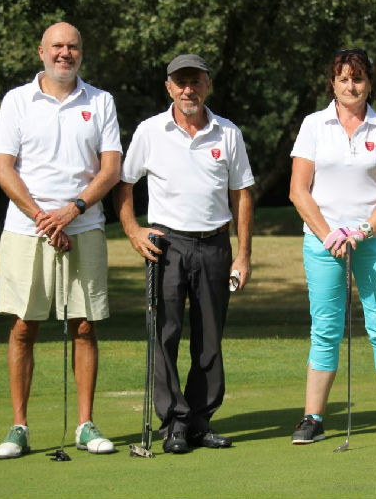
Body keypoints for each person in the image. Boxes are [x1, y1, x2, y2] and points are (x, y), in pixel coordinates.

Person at [0, 22, 122, 459]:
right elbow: (3, 169)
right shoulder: (17, 101)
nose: (65, 53)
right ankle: (19, 426)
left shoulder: (100, 101)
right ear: (41, 51)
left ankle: (85, 425)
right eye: (57, 46)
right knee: (24, 326)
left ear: (81, 52)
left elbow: (110, 170)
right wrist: (44, 218)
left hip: (84, 225)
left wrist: (72, 211)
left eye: (73, 47)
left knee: (84, 326)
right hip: (26, 228)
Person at [114, 54, 255, 454]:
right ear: (169, 87)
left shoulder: (228, 133)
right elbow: (124, 184)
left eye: (195, 82)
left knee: (209, 337)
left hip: (215, 244)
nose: (188, 90)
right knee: (165, 334)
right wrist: (132, 230)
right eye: (181, 82)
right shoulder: (150, 131)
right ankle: (174, 422)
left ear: (207, 85)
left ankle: (199, 421)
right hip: (167, 245)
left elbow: (242, 194)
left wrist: (243, 255)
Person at [288, 49, 376, 445]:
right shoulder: (314, 125)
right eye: (343, 78)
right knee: (325, 329)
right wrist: (329, 234)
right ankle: (312, 418)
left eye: (358, 78)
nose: (351, 86)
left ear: (369, 83)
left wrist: (361, 230)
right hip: (323, 243)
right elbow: (298, 190)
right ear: (333, 84)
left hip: (374, 241)